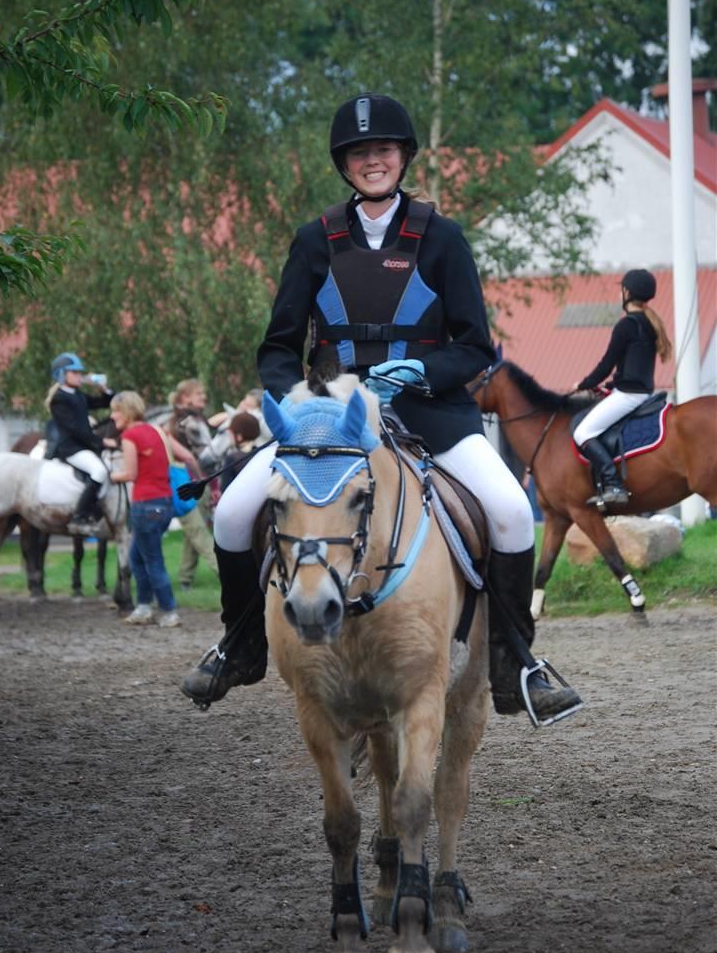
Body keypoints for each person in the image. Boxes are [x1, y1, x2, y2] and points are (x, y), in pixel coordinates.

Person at [182, 92, 581, 724]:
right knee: (232, 511)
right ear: (345, 163)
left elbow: (475, 346)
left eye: (384, 150)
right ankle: (241, 644)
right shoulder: (315, 240)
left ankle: (516, 663)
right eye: (361, 152)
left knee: (510, 512)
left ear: (403, 157)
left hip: (429, 412)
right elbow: (279, 346)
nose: (373, 161)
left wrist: (421, 370)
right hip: (331, 417)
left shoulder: (443, 238)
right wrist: (298, 398)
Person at [573, 269, 672, 506]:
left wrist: (583, 384)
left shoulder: (626, 325)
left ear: (627, 292)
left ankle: (614, 485)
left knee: (582, 433)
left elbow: (606, 364)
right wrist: (609, 386)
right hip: (639, 393)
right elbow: (628, 368)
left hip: (629, 396)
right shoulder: (649, 322)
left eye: (621, 289)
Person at [109, 391, 197, 627]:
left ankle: (169, 610)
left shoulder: (130, 435)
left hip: (145, 505)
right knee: (137, 558)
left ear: (126, 411)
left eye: (115, 410)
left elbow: (130, 474)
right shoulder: (157, 431)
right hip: (164, 503)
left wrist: (112, 476)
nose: (112, 415)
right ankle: (144, 607)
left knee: (152, 560)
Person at [47, 352, 116, 529]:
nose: (80, 376)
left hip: (84, 446)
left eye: (79, 372)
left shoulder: (78, 395)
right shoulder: (59, 399)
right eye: (75, 372)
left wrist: (103, 388)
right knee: (99, 471)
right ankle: (80, 515)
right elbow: (75, 430)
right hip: (71, 448)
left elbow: (107, 402)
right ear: (62, 375)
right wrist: (102, 442)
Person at [165, 379, 217, 591]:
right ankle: (228, 574)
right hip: (192, 481)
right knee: (199, 532)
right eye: (198, 394)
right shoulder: (188, 422)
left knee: (193, 532)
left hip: (191, 480)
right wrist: (211, 484)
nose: (203, 398)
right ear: (184, 397)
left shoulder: (186, 419)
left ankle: (185, 578)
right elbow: (203, 457)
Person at [219, 412, 262, 492]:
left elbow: (225, 491)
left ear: (239, 436)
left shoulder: (232, 458)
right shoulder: (262, 454)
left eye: (231, 433)